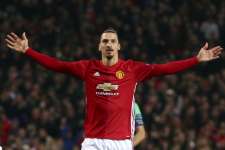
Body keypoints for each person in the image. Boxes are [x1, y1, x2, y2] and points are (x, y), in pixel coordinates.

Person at [5, 28, 223, 150]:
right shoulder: (88, 68)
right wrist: (28, 51)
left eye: (112, 41)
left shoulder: (132, 69)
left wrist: (196, 60)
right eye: (105, 41)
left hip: (121, 143)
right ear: (100, 46)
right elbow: (57, 65)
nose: (109, 44)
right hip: (93, 142)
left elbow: (164, 69)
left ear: (118, 46)